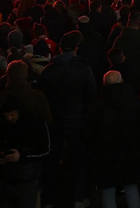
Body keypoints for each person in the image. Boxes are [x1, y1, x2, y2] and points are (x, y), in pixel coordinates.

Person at [38, 31, 97, 208]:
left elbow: (42, 94)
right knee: (78, 160)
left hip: (55, 120)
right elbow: (91, 94)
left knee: (52, 161)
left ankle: (48, 199)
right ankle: (77, 198)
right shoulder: (84, 68)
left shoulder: (50, 69)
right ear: (76, 48)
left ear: (60, 48)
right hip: (77, 120)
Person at [85, 70, 140, 208]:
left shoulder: (97, 105)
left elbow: (90, 131)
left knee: (108, 190)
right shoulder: (134, 101)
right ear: (122, 81)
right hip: (131, 151)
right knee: (131, 187)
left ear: (104, 84)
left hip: (106, 153)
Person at [0, 96, 51, 208]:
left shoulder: (36, 124)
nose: (9, 118)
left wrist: (22, 156)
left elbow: (46, 151)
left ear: (19, 111)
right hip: (6, 179)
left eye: (12, 114)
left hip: (27, 180)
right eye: (6, 116)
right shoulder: (1, 125)